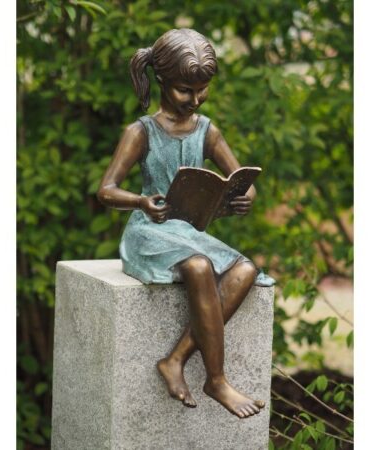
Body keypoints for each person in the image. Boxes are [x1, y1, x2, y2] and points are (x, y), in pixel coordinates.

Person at [97, 28, 274, 419]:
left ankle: (175, 358)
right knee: (199, 266)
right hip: (150, 230)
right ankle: (217, 379)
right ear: (161, 81)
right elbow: (106, 190)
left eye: (202, 91)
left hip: (188, 230)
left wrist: (242, 196)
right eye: (183, 90)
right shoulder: (140, 132)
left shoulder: (208, 130)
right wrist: (141, 200)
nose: (194, 100)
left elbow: (240, 177)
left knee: (245, 270)